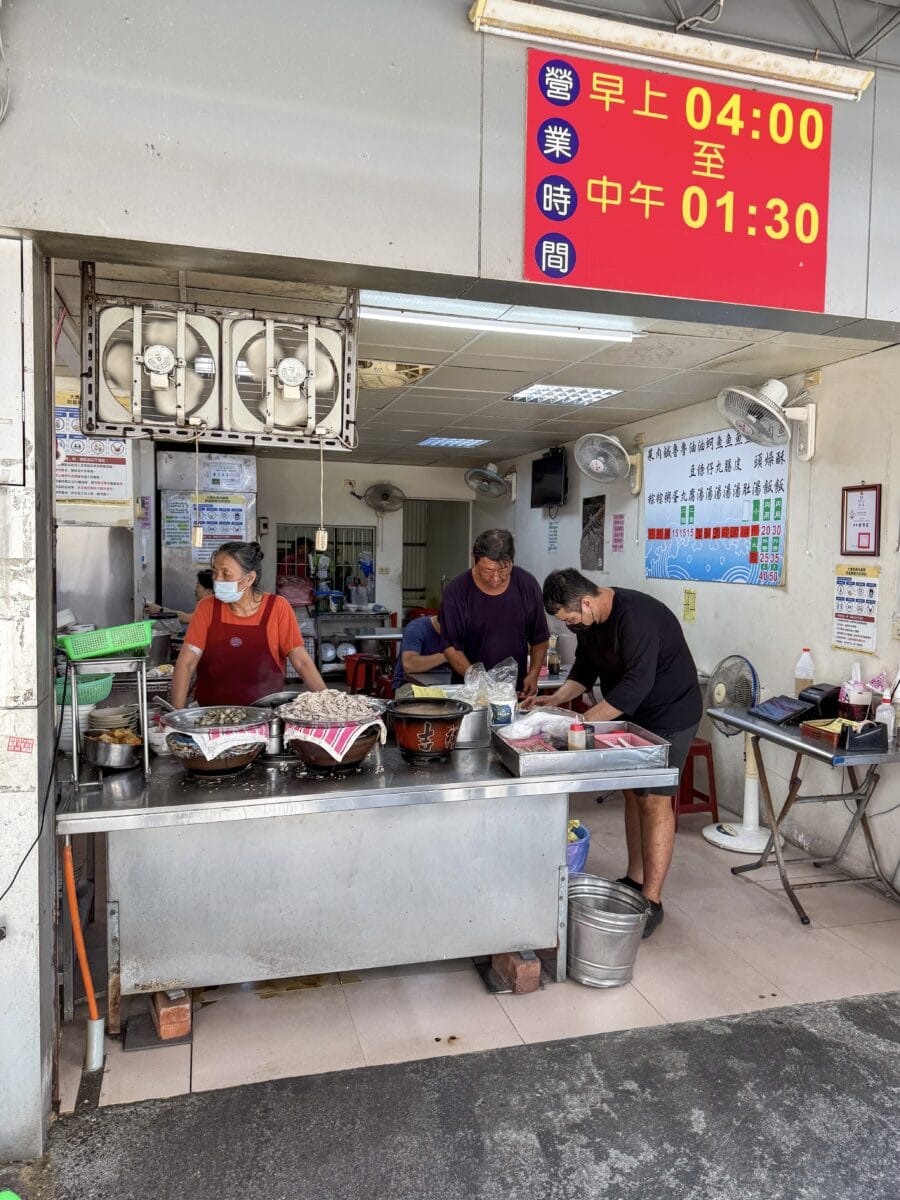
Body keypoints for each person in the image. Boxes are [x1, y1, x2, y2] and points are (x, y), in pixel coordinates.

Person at [529, 569, 702, 939]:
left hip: (670, 714)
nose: (571, 625)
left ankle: (651, 901)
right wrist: (556, 700)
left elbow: (634, 688)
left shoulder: (638, 618)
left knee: (655, 801)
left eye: (571, 618)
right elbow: (585, 669)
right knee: (631, 792)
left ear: (587, 602)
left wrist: (580, 726)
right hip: (631, 716)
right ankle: (634, 879)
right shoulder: (589, 624)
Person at [170, 542, 326, 707]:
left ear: (249, 578)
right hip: (210, 716)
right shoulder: (206, 607)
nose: (218, 580)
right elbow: (186, 664)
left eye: (226, 574)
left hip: (266, 717)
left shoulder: (277, 608)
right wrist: (175, 715)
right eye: (215, 573)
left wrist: (328, 703)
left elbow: (302, 662)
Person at [439, 529, 549, 699]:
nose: (496, 578)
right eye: (488, 570)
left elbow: (539, 638)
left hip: (515, 691)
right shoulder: (456, 592)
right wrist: (479, 684)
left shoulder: (527, 584)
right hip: (470, 691)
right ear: (474, 560)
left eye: (504, 570)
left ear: (512, 561)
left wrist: (533, 674)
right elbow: (451, 647)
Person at [392, 614, 447, 691]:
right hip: (411, 684)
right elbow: (409, 664)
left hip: (445, 683)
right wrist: (448, 655)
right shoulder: (416, 628)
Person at [145, 570, 214, 625]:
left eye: (198, 585)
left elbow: (186, 618)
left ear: (209, 591)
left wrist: (160, 610)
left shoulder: (211, 608)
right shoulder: (206, 606)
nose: (195, 590)